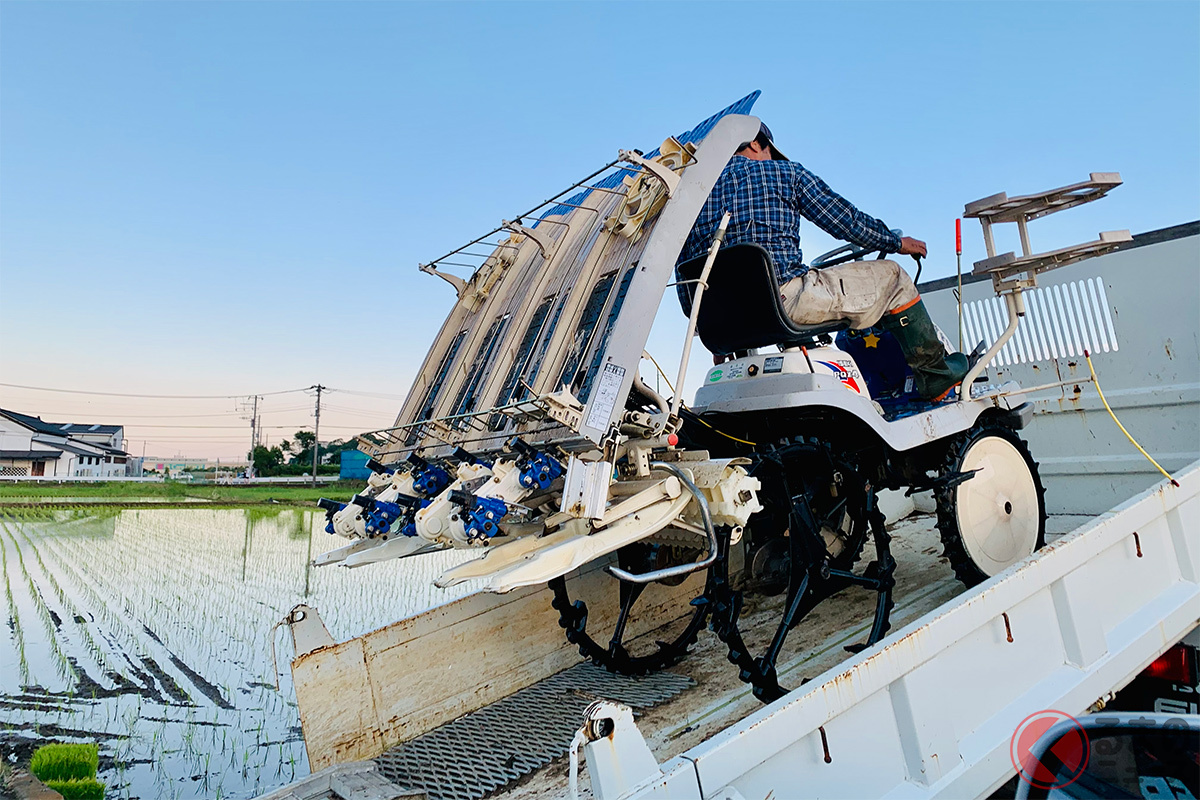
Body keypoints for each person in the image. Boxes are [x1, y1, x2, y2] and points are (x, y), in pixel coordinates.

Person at [677, 123, 970, 401]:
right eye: (768, 152)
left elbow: (685, 274)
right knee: (894, 277)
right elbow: (845, 221)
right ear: (756, 142)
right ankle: (934, 373)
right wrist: (895, 243)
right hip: (786, 301)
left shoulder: (694, 197)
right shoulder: (784, 173)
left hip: (726, 322)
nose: (769, 159)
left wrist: (715, 331)